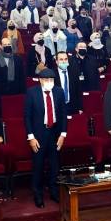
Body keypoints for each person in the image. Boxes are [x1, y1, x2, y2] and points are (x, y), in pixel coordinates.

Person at [24, 68, 68, 208]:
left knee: (55, 165)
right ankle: (38, 194)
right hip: (38, 134)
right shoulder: (32, 93)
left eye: (52, 80)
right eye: (47, 80)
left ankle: (54, 192)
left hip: (55, 133)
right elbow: (27, 117)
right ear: (40, 80)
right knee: (38, 166)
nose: (50, 82)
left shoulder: (59, 92)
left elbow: (63, 114)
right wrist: (31, 137)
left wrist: (63, 134)